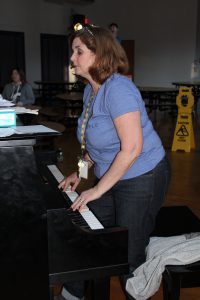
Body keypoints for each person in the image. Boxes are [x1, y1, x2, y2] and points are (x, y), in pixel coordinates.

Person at [57, 24, 171, 300]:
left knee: (129, 253)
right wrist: (80, 173)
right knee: (90, 234)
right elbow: (94, 147)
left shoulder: (118, 89)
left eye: (79, 51)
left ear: (99, 55)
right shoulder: (90, 91)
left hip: (143, 176)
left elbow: (131, 148)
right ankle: (73, 294)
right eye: (73, 51)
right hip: (114, 176)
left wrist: (95, 189)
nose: (72, 58)